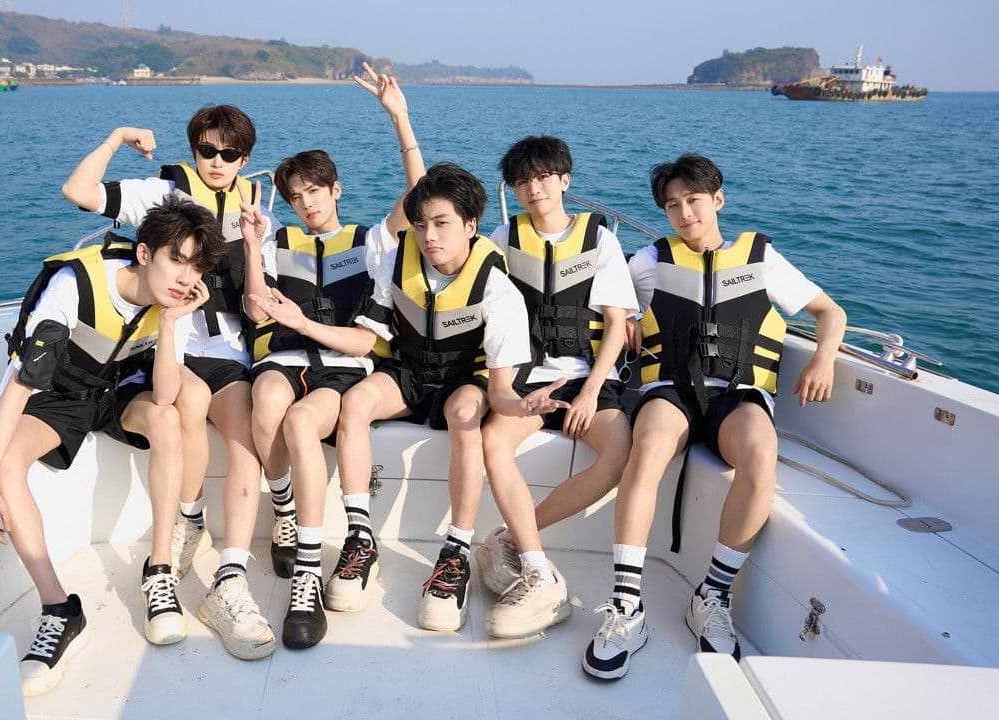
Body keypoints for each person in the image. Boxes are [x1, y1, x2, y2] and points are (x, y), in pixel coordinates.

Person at [582, 153, 846, 680]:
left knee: (762, 454)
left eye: (694, 200)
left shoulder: (761, 260)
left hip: (738, 394)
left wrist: (824, 357)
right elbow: (609, 311)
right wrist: (629, 320)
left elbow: (830, 312)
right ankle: (627, 605)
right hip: (671, 391)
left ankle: (712, 595)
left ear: (718, 199)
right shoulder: (649, 261)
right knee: (648, 448)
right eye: (672, 205)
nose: (684, 213)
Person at [0, 196, 223, 695]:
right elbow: (19, 388)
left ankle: (159, 571)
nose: (184, 277)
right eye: (177, 259)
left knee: (168, 417)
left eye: (196, 267)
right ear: (145, 253)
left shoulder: (173, 302)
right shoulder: (75, 286)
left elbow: (164, 395)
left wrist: (170, 322)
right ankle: (59, 610)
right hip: (61, 396)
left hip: (119, 391)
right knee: (5, 466)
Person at [60, 105, 280, 660]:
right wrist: (116, 135)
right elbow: (78, 191)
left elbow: (258, 310)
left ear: (245, 160)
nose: (216, 162)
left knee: (243, 438)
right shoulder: (164, 194)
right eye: (206, 150)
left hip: (227, 351)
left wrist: (255, 244)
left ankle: (230, 578)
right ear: (193, 149)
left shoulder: (255, 211)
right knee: (190, 399)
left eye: (229, 154)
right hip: (169, 348)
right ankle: (189, 518)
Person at [244, 63, 425, 650]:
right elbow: (256, 311)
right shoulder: (278, 241)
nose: (306, 204)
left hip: (342, 367)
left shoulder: (370, 243)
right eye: (296, 197)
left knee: (301, 421)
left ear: (336, 190)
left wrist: (400, 118)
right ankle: (285, 509)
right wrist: (250, 245)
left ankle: (307, 571)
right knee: (265, 397)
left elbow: (420, 198)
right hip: (286, 359)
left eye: (314, 192)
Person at [334, 162, 533, 633]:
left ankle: (455, 551)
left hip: (462, 381)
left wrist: (522, 406)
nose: (429, 236)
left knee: (466, 414)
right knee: (355, 403)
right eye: (421, 224)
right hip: (407, 373)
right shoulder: (396, 260)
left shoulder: (496, 287)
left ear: (470, 225)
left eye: (442, 223)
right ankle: (360, 537)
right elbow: (369, 336)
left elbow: (500, 390)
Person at [474, 136, 638, 640]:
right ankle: (535, 565)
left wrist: (589, 392)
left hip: (588, 375)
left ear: (565, 180)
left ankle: (511, 539)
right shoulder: (503, 237)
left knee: (617, 454)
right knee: (493, 440)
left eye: (543, 177)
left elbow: (616, 325)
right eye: (522, 181)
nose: (534, 188)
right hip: (528, 376)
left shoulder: (600, 240)